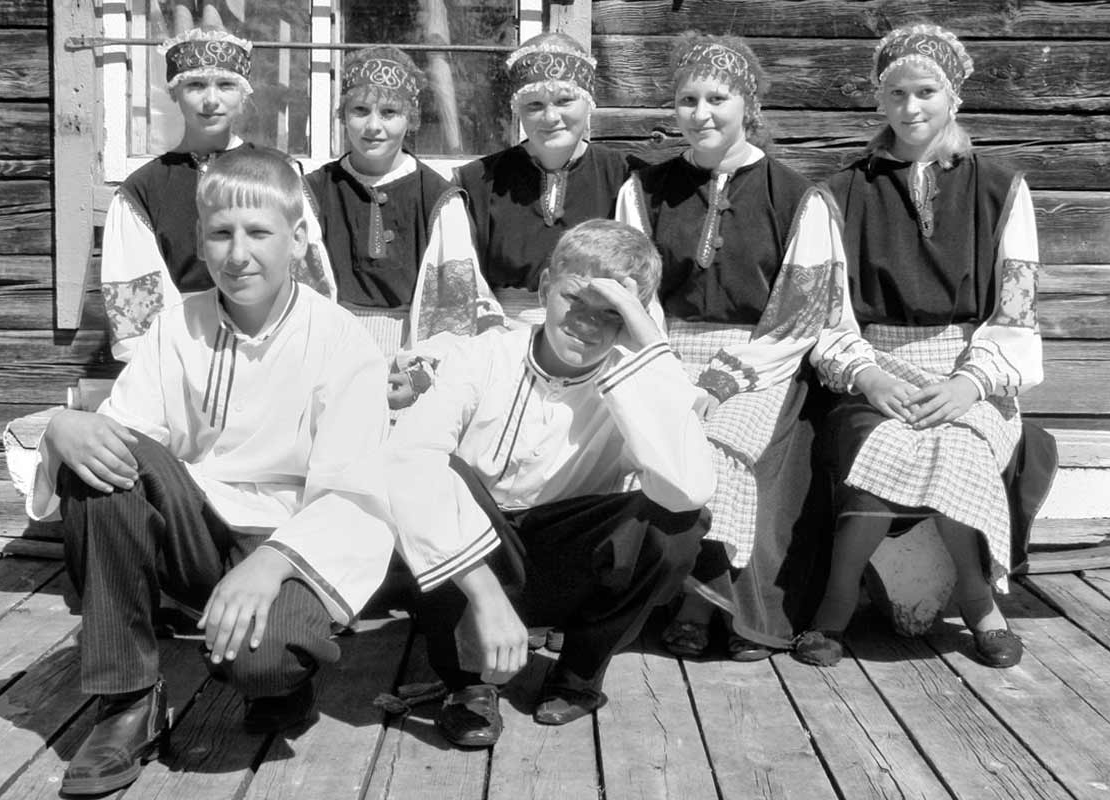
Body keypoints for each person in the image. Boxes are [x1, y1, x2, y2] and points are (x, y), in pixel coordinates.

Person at [28, 150, 394, 795]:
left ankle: (284, 679)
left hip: (292, 541)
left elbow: (354, 492)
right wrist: (60, 427)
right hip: (200, 526)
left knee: (262, 664)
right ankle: (128, 701)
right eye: (222, 233)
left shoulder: (341, 341)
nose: (238, 254)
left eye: (259, 234)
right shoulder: (177, 326)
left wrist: (273, 562)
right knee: (99, 457)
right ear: (201, 240)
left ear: (299, 237)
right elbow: (128, 437)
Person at [383, 220, 714, 748]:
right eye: (575, 300)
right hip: (468, 560)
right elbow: (409, 463)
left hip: (560, 558)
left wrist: (648, 342)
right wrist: (487, 598)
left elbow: (688, 490)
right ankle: (465, 685)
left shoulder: (639, 382)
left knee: (678, 524)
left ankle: (579, 675)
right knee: (440, 477)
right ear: (542, 290)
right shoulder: (480, 356)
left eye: (612, 313)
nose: (587, 323)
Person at [799, 23, 1055, 670]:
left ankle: (977, 598)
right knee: (882, 443)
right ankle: (833, 602)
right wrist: (865, 376)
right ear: (879, 101)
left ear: (955, 97)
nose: (911, 108)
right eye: (896, 94)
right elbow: (826, 316)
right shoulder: (839, 193)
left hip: (969, 371)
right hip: (874, 370)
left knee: (959, 443)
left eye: (926, 91)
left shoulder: (1001, 190)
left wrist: (970, 384)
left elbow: (1015, 310)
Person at [616, 32, 836, 660]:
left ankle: (703, 606)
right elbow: (636, 291)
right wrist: (662, 370)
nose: (701, 113)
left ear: (750, 103)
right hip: (659, 352)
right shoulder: (645, 191)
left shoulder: (797, 197)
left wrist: (718, 382)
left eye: (718, 97)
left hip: (758, 363)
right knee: (643, 447)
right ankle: (652, 598)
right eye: (688, 99)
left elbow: (798, 315)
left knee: (721, 450)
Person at [100, 25, 333, 362]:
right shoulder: (143, 190)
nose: (211, 100)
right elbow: (137, 317)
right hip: (183, 353)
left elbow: (305, 272)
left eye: (225, 85)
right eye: (195, 85)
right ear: (175, 93)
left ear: (244, 94)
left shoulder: (279, 171)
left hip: (274, 350)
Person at [305, 46, 503, 407]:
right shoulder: (314, 193)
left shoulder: (439, 199)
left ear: (410, 119)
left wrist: (419, 371)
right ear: (342, 114)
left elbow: (453, 303)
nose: (373, 126)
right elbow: (302, 291)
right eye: (360, 110)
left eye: (390, 112)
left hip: (410, 353)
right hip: (330, 357)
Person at [456, 32, 629, 319]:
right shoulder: (477, 182)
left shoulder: (622, 176)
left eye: (564, 101)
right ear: (517, 109)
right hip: (504, 332)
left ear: (588, 101)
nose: (550, 117)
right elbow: (465, 278)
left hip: (595, 329)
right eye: (534, 105)